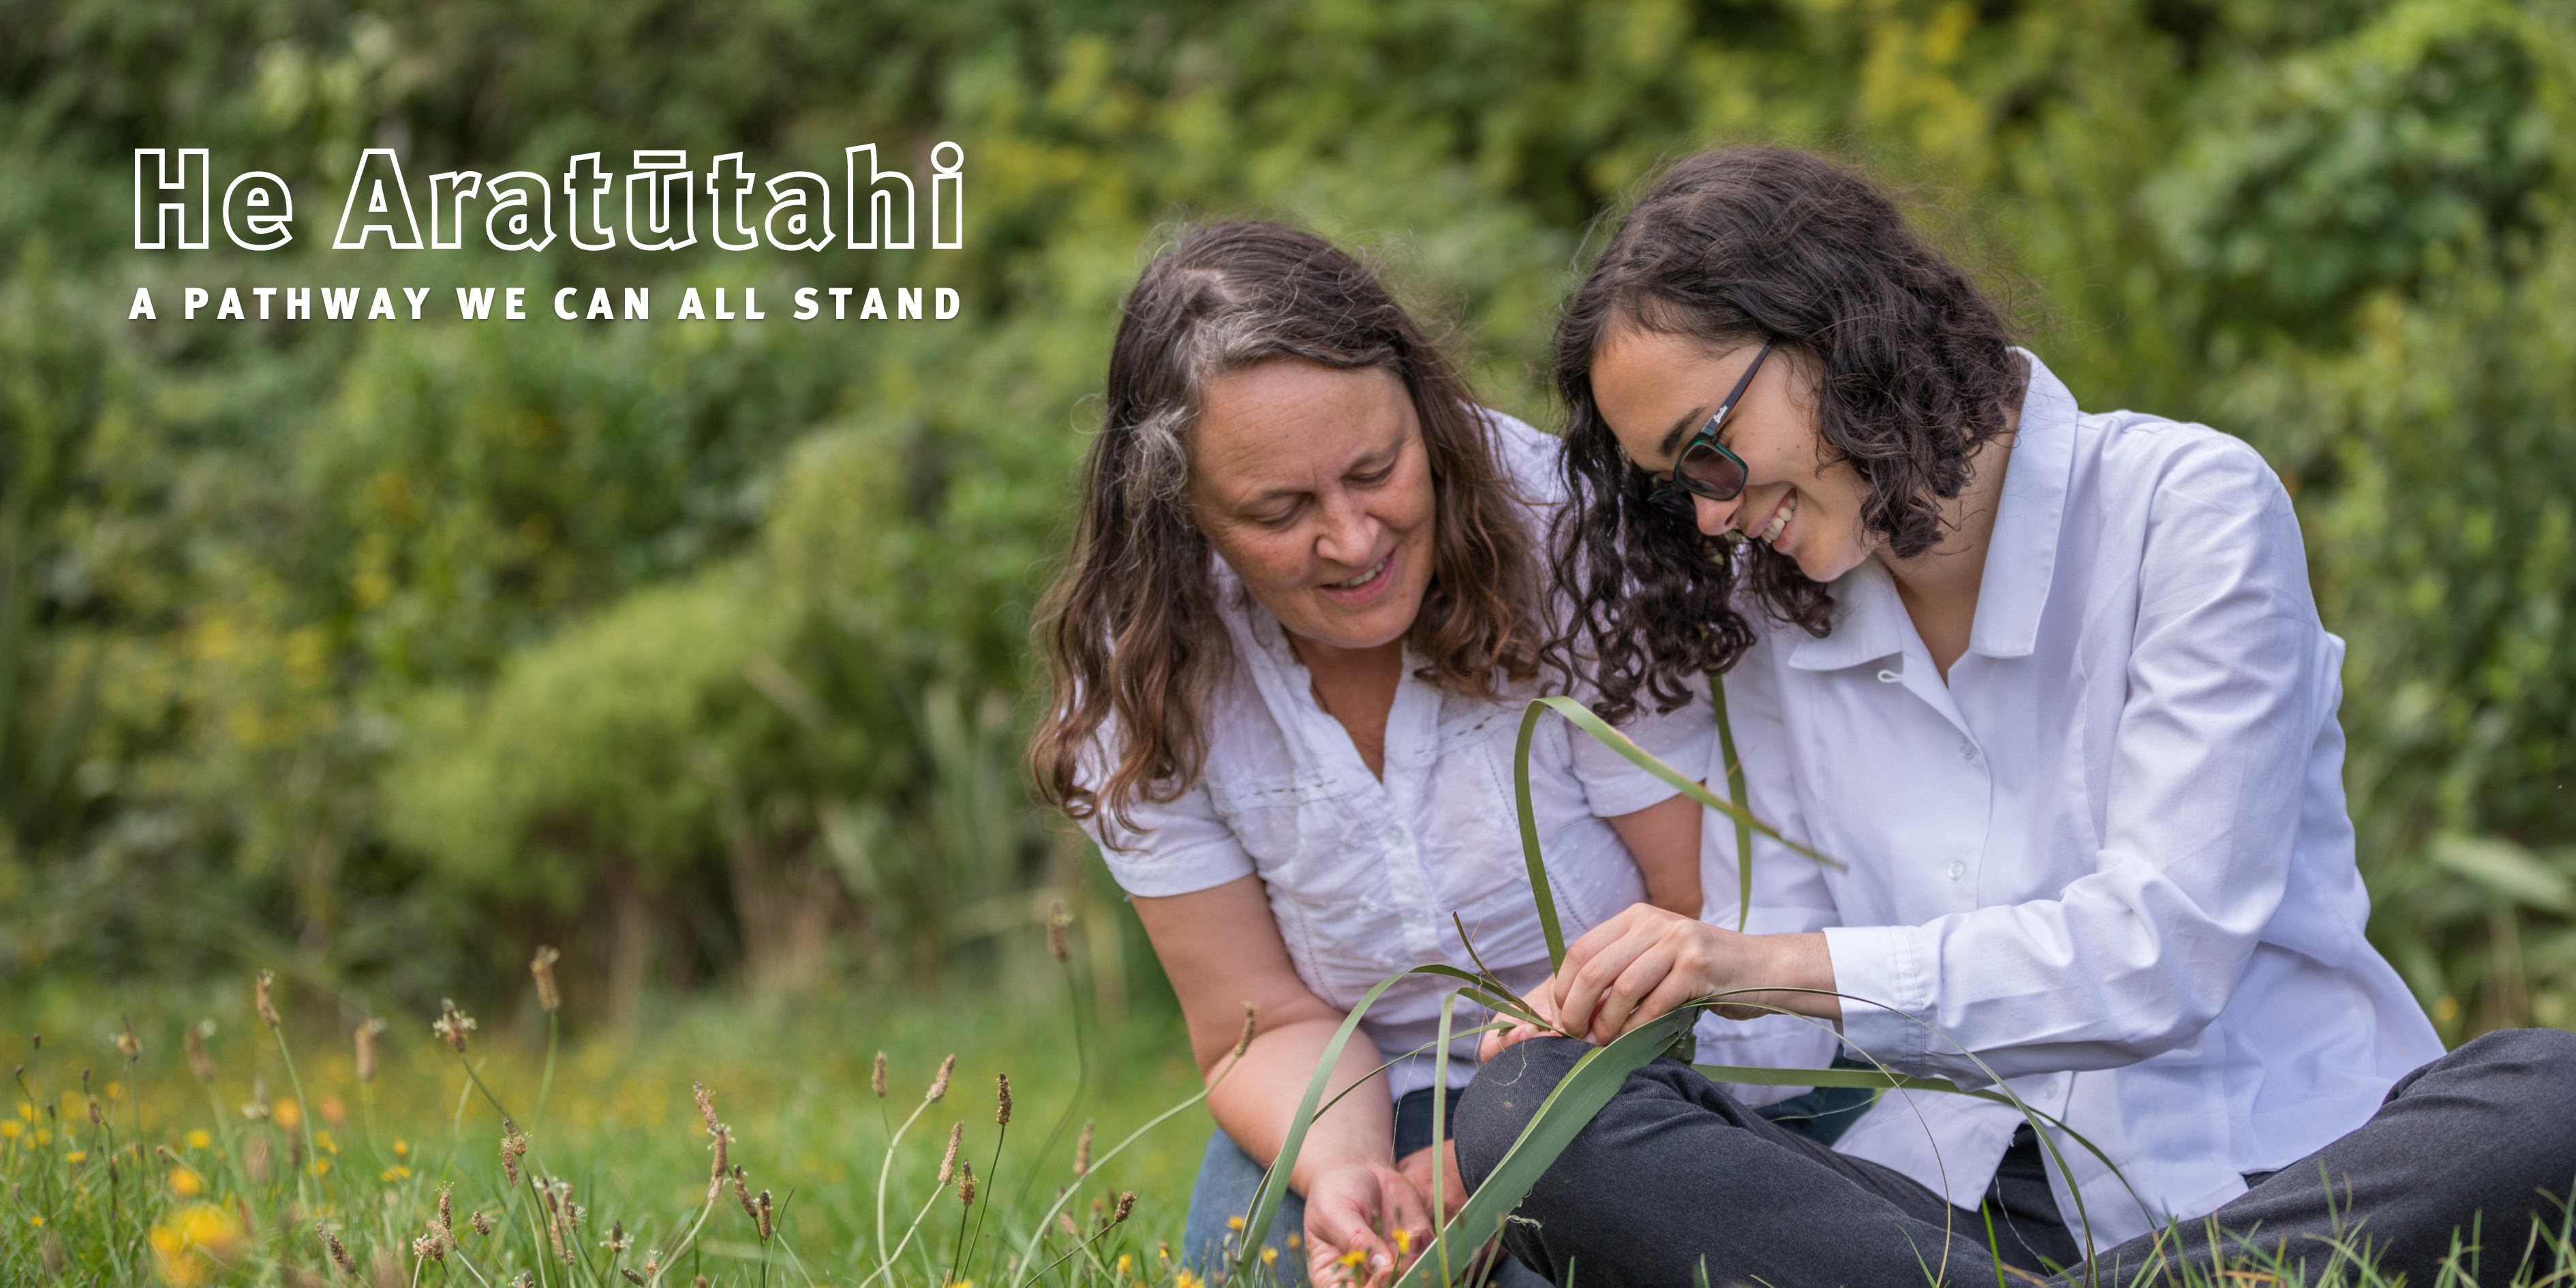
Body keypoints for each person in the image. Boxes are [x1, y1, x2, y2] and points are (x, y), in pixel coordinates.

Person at [1455, 148, 2576, 1288]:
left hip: (2277, 1169)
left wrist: (1755, 960)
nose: (1709, 512)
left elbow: (2156, 955)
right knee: (1521, 1111)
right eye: (1673, 483)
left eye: (1707, 446)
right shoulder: (1779, 615)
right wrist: (1614, 1014)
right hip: (1943, 1218)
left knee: (2554, 1095)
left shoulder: (2189, 508)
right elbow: (1774, 1038)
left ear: (1834, 327)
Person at [1028, 222, 1717, 1287]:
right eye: (1278, 510)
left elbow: (1697, 911)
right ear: (1186, 516)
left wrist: (1477, 1161)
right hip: (1363, 1089)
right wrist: (1354, 1171)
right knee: (1272, 1263)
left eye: (1375, 470)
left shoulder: (1570, 539)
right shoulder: (1142, 672)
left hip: (1639, 1047)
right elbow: (1258, 1025)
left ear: (1426, 422)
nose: (1351, 540)